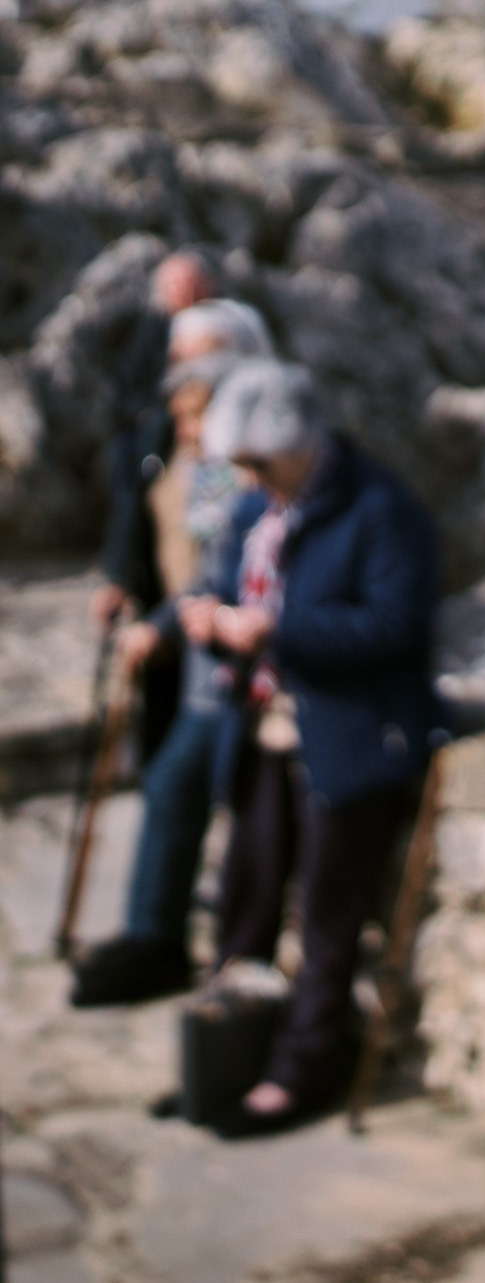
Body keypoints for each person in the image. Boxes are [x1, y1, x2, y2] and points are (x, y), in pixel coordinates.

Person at [191, 360, 442, 1136]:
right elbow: (226, 578)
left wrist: (275, 630)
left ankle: (303, 1069)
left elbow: (399, 627)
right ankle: (230, 1055)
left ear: (300, 444)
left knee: (328, 916)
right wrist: (206, 616)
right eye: (242, 465)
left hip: (354, 735)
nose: (251, 478)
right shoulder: (257, 506)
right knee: (248, 896)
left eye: (260, 462)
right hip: (267, 728)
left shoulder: (379, 506)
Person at [70, 299, 275, 1006]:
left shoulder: (238, 466)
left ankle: (167, 938)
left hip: (220, 660)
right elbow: (150, 521)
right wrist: (126, 584)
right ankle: (154, 933)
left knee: (186, 786)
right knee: (169, 783)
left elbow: (211, 563)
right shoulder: (178, 444)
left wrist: (160, 624)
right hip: (192, 651)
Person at [89, 251, 217, 745]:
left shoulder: (240, 447)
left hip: (209, 623)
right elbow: (133, 492)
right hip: (163, 601)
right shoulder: (150, 388)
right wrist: (118, 573)